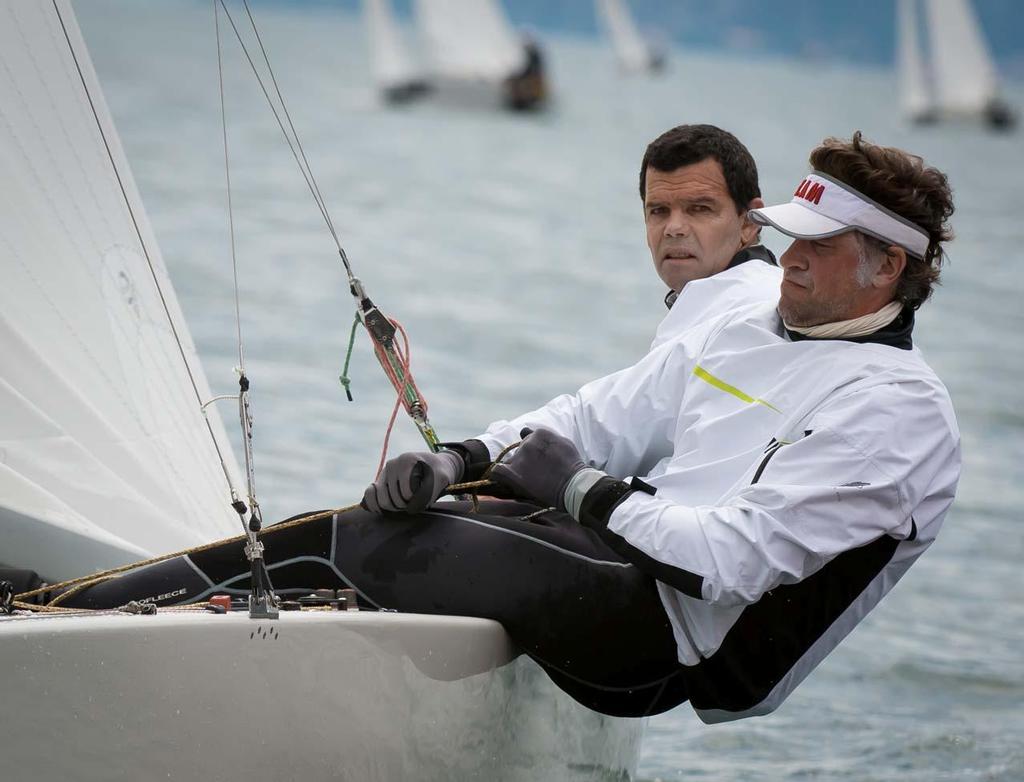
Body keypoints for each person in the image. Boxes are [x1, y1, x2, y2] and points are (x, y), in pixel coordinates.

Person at [50, 132, 960, 726]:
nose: (789, 259)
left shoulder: (899, 414)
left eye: (818, 246)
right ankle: (85, 612)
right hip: (615, 557)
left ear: (886, 267)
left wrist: (578, 489)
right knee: (391, 524)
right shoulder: (755, 317)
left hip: (667, 642)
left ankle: (50, 626)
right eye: (788, 235)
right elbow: (597, 415)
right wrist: (462, 458)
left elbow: (727, 562)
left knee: (349, 545)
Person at [638, 124, 782, 349]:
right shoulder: (706, 312)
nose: (673, 228)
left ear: (749, 222)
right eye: (658, 211)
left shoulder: (755, 317)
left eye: (700, 208)